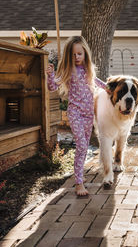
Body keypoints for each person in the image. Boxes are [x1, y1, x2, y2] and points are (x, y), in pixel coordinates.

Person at [46, 36, 107, 196]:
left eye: (79, 54)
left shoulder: (88, 71)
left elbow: (97, 82)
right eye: (73, 55)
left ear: (85, 53)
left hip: (88, 115)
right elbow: (52, 86)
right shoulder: (68, 70)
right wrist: (50, 74)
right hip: (75, 113)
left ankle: (79, 174)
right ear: (68, 56)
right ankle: (78, 183)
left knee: (84, 146)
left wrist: (110, 88)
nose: (77, 57)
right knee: (81, 144)